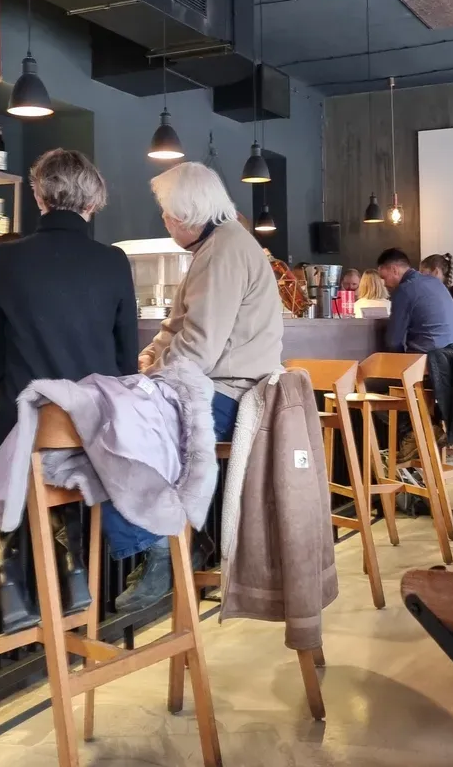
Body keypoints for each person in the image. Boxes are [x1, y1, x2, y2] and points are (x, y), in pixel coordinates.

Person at [0, 148, 138, 621]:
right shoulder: (113, 262)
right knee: (60, 457)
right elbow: (126, 365)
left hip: (28, 428)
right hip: (94, 436)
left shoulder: (6, 260)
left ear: (38, 195)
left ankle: (8, 578)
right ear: (93, 202)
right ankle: (73, 567)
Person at [124, 162, 283, 610]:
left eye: (166, 212)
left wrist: (149, 379)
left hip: (229, 394)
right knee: (129, 419)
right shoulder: (220, 245)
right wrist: (150, 358)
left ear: (186, 215)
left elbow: (200, 348)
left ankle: (163, 552)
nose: (164, 219)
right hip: (225, 388)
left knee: (130, 431)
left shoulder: (222, 251)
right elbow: (179, 328)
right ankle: (186, 541)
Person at [377, 248, 453, 353]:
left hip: (429, 357)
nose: (384, 284)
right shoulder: (436, 283)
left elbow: (393, 341)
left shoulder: (404, 290)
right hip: (452, 356)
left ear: (394, 270)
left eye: (384, 277)